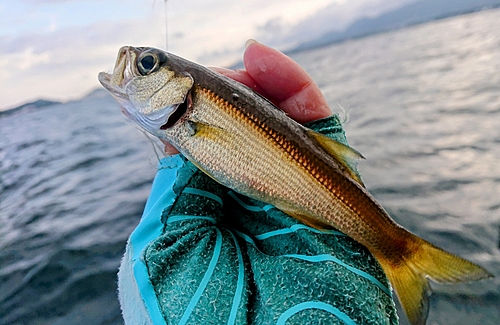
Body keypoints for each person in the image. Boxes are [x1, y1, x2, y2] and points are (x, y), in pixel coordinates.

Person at [118, 40, 399, 325]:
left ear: (184, 88)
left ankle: (400, 250)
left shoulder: (197, 108)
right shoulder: (189, 115)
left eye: (147, 64)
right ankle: (399, 249)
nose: (131, 65)